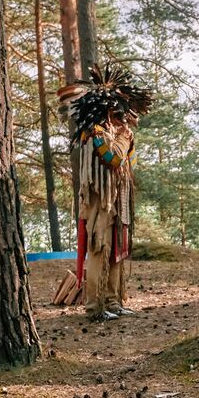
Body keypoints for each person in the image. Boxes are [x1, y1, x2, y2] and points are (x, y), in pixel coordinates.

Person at [58, 64, 154, 322]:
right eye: (118, 110)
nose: (123, 116)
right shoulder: (95, 134)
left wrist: (127, 140)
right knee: (100, 250)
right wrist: (124, 139)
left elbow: (128, 165)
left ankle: (113, 301)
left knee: (117, 252)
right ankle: (95, 308)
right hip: (100, 202)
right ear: (106, 109)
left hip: (117, 201)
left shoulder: (115, 132)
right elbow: (113, 159)